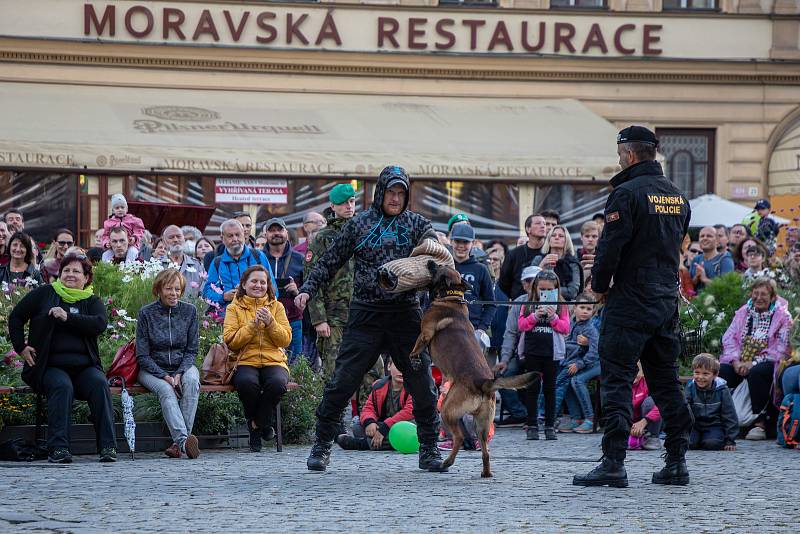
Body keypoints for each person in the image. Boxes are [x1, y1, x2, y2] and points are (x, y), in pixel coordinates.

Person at [295, 165, 447, 473]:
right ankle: (322, 445)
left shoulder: (417, 224)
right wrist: (308, 290)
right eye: (391, 192)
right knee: (342, 382)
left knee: (421, 382)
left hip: (406, 314)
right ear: (380, 192)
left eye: (401, 193)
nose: (395, 198)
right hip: (366, 314)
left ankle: (429, 447)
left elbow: (437, 260)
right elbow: (329, 262)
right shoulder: (360, 223)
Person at [574, 125, 694, 488]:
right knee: (665, 381)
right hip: (664, 301)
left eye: (619, 153)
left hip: (630, 301)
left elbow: (611, 248)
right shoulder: (677, 196)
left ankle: (613, 462)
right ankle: (676, 461)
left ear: (628, 153)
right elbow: (677, 246)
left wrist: (598, 286)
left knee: (616, 380)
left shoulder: (625, 194)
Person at [8, 253, 116, 463]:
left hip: (84, 368)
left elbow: (99, 324)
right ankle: (59, 448)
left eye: (76, 271)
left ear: (86, 278)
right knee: (62, 386)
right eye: (66, 270)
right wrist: (21, 347)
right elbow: (16, 317)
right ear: (59, 274)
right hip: (49, 366)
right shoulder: (45, 294)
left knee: (100, 383)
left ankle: (108, 446)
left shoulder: (91, 301)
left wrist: (68, 317)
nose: (70, 274)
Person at [223, 265, 292, 452]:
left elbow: (285, 339)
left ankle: (256, 424)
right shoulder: (233, 308)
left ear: (268, 285)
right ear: (244, 285)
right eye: (254, 281)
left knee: (277, 383)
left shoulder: (277, 306)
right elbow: (231, 342)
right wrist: (252, 326)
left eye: (263, 282)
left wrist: (271, 323)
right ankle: (263, 426)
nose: (258, 285)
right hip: (245, 359)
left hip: (273, 360)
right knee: (247, 383)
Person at [136, 268, 201, 459]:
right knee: (166, 390)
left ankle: (178, 445)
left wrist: (179, 374)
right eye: (169, 289)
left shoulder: (190, 311)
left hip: (182, 366)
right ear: (159, 289)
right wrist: (165, 376)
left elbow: (191, 350)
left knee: (191, 382)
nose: (174, 294)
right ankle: (183, 441)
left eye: (177, 289)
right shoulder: (147, 313)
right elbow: (142, 355)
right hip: (152, 369)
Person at [719, 278, 792, 440]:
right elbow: (729, 338)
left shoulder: (783, 316)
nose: (759, 298)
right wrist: (736, 361)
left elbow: (781, 348)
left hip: (768, 362)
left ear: (772, 297)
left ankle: (761, 422)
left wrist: (752, 363)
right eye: (755, 293)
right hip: (740, 360)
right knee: (722, 371)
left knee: (758, 372)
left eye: (764, 294)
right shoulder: (743, 312)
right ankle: (725, 420)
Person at [305, 184, 357, 380]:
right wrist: (319, 319)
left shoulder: (363, 234)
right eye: (343, 203)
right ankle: (334, 412)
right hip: (333, 317)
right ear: (333, 206)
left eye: (351, 202)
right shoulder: (322, 239)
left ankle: (368, 412)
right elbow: (313, 279)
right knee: (334, 374)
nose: (348, 207)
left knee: (371, 373)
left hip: (361, 315)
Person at [518, 270, 570, 441]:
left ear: (556, 289)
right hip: (532, 352)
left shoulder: (561, 305)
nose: (546, 293)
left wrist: (553, 317)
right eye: (542, 289)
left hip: (552, 353)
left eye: (550, 290)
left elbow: (565, 328)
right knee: (532, 389)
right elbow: (522, 326)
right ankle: (531, 425)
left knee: (550, 389)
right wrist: (534, 316)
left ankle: (549, 425)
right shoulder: (528, 303)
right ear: (536, 288)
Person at [493, 265, 540, 426]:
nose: (531, 284)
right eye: (528, 281)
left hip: (544, 353)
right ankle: (520, 413)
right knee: (501, 375)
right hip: (521, 352)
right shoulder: (519, 303)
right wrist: (505, 359)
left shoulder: (552, 300)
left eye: (535, 280)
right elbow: (510, 333)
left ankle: (541, 414)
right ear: (523, 283)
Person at [202, 219, 278, 315]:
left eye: (238, 235)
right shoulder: (217, 262)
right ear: (222, 238)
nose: (235, 239)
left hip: (257, 317)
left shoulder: (258, 256)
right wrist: (223, 297)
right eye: (230, 236)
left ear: (244, 235)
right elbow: (206, 292)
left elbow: (272, 287)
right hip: (226, 320)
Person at [335, 359, 413, 451]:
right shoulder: (379, 386)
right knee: (357, 427)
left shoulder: (414, 387)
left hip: (406, 425)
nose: (401, 371)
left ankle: (363, 444)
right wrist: (370, 422)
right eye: (397, 366)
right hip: (383, 425)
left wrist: (386, 427)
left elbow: (410, 411)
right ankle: (380, 441)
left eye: (405, 367)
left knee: (410, 432)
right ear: (389, 366)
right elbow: (369, 408)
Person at [554, 293, 599, 434]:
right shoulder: (572, 324)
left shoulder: (590, 329)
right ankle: (576, 418)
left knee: (577, 380)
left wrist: (579, 364)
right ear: (574, 308)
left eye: (589, 309)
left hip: (595, 363)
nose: (585, 311)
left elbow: (594, 352)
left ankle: (590, 419)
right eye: (582, 307)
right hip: (576, 362)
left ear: (593, 311)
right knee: (566, 379)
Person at [263, 217, 305, 359]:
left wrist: (297, 290)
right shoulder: (258, 257)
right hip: (264, 319)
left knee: (294, 363)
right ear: (265, 235)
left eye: (280, 229)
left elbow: (310, 288)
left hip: (292, 318)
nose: (276, 233)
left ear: (286, 232)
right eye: (272, 230)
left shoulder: (300, 259)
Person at [451, 224, 496, 351]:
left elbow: (490, 303)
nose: (461, 246)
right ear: (451, 241)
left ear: (473, 243)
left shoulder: (481, 269)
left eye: (465, 242)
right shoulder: (444, 267)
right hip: (445, 330)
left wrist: (481, 329)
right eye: (457, 241)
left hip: (472, 330)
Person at [685, 354, 738, 451]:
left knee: (712, 444)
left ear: (715, 375)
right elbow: (683, 410)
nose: (700, 377)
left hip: (714, 425)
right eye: (697, 373)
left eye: (705, 374)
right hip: (694, 425)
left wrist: (730, 440)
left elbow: (730, 415)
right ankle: (697, 439)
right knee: (688, 443)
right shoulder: (690, 387)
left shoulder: (722, 390)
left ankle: (707, 439)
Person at [498, 214, 547, 299]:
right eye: (538, 223)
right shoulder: (514, 254)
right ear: (528, 229)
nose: (542, 226)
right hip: (520, 302)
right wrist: (516, 296)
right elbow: (503, 282)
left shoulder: (549, 252)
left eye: (544, 224)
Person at [533, 225, 583, 301]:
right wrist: (541, 265)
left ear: (566, 241)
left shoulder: (572, 263)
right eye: (553, 235)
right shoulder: (539, 259)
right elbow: (530, 286)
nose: (556, 237)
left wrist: (548, 290)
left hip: (565, 305)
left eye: (561, 236)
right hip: (539, 303)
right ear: (549, 240)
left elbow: (572, 292)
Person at [626, 362, 663, 451]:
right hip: (629, 424)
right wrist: (629, 428)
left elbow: (661, 404)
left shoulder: (649, 383)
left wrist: (644, 422)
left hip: (647, 422)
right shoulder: (620, 385)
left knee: (651, 401)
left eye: (636, 371)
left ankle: (652, 437)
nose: (633, 374)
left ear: (643, 373)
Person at [161, 225, 205, 297]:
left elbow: (202, 292)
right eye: (171, 237)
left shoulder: (197, 265)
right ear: (164, 242)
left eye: (178, 236)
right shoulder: (156, 265)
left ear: (183, 239)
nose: (175, 240)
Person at [100, 194, 144, 263]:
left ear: (126, 209)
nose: (120, 210)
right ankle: (106, 270)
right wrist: (106, 243)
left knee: (132, 252)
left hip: (130, 245)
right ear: (113, 210)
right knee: (106, 255)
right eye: (117, 208)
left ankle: (128, 269)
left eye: (122, 207)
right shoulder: (109, 223)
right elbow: (105, 235)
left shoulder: (133, 220)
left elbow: (139, 231)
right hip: (115, 247)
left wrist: (134, 238)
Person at [690, 226, 734, 292]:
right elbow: (688, 287)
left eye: (709, 236)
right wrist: (696, 277)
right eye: (702, 236)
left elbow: (727, 289)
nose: (705, 238)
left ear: (717, 241)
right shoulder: (696, 260)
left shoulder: (725, 260)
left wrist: (704, 279)